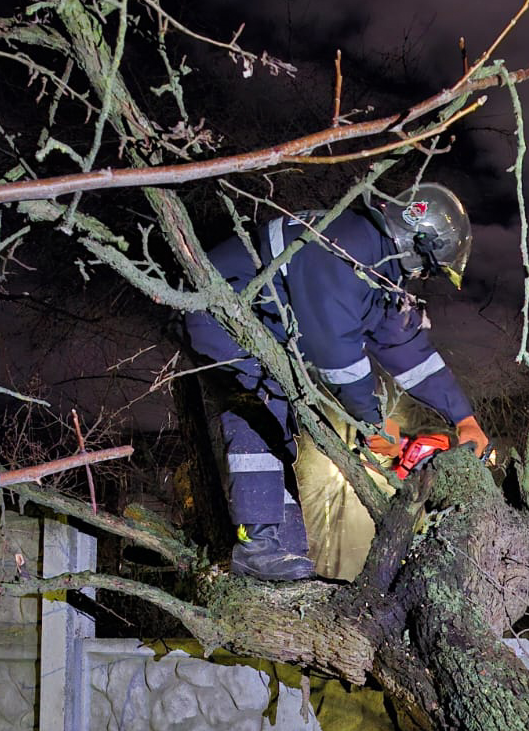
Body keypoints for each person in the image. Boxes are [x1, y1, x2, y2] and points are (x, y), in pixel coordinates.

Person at [179, 183, 489, 581]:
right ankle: (256, 547)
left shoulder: (377, 267)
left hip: (261, 325)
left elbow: (406, 347)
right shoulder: (345, 249)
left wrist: (463, 417)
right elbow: (336, 356)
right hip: (220, 314)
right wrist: (373, 423)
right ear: (417, 240)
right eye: (426, 266)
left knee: (279, 428)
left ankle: (283, 551)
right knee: (259, 409)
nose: (421, 276)